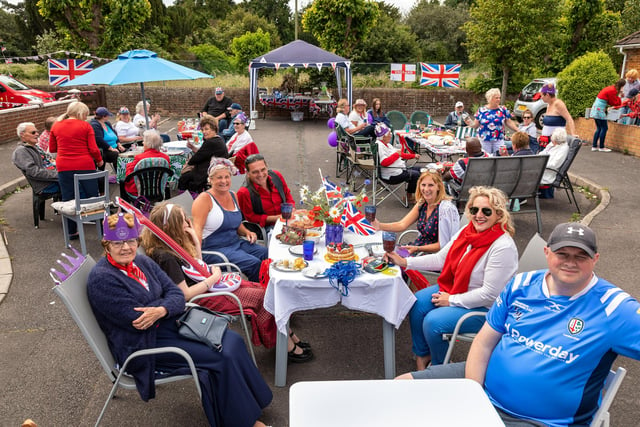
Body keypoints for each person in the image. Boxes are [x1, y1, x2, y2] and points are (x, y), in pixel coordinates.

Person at [398, 222, 640, 427]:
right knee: (398, 389)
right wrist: (474, 395)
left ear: (595, 259)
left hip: (538, 419)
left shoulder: (614, 307)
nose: (570, 262)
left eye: (581, 256)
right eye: (562, 254)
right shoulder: (522, 284)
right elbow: (484, 342)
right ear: (547, 253)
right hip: (481, 383)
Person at [87, 212, 273, 427]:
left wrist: (161, 309)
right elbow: (137, 319)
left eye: (130, 241)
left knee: (232, 340)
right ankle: (243, 423)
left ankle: (254, 402)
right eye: (117, 243)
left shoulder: (141, 262)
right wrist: (166, 307)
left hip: (168, 324)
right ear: (106, 244)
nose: (126, 247)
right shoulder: (102, 279)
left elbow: (176, 294)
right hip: (143, 342)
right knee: (219, 355)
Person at [141, 202, 313, 361]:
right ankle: (285, 346)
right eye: (183, 219)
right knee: (262, 297)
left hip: (209, 288)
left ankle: (287, 336)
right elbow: (184, 295)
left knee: (264, 289)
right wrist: (213, 279)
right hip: (201, 298)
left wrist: (194, 238)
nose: (188, 221)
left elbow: (198, 265)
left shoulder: (172, 245)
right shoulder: (165, 257)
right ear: (169, 226)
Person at [387, 186, 517, 368]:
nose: (479, 215)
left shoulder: (502, 247)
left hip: (486, 308)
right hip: (458, 289)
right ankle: (423, 354)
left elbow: (490, 294)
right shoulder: (467, 231)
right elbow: (441, 259)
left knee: (433, 321)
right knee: (415, 302)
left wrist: (452, 300)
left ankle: (441, 368)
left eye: (486, 211)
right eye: (474, 210)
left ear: (499, 215)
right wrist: (405, 262)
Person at [192, 159, 268, 282]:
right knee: (254, 263)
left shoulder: (233, 195)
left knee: (266, 253)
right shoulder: (204, 199)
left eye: (227, 177)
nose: (224, 181)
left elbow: (236, 224)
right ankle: (257, 295)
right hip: (214, 249)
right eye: (219, 178)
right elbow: (197, 230)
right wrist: (197, 259)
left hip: (234, 243)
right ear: (210, 179)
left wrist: (247, 232)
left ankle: (270, 289)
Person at [49, 101, 103, 239]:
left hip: (64, 165)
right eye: (85, 114)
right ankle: (101, 229)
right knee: (93, 197)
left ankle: (72, 231)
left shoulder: (56, 125)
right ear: (81, 113)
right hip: (85, 164)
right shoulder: (85, 126)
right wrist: (99, 160)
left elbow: (53, 148)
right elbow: (93, 148)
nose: (86, 117)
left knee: (68, 198)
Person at [373, 170, 459, 255]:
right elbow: (402, 224)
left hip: (432, 257)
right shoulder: (422, 203)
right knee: (381, 255)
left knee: (388, 259)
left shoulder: (445, 209)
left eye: (431, 185)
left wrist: (417, 249)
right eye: (423, 185)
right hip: (417, 249)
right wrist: (378, 225)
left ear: (439, 187)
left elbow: (444, 245)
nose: (426, 189)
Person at [237, 154, 295, 232]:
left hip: (287, 220)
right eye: (255, 172)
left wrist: (292, 208)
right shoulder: (243, 192)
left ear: (267, 167)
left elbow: (287, 194)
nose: (260, 175)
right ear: (247, 173)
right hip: (265, 228)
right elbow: (250, 218)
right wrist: (277, 218)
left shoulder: (277, 176)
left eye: (263, 169)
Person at [178, 116, 229, 193]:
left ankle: (187, 200)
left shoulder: (211, 142)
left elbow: (195, 159)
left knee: (184, 178)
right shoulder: (218, 140)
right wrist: (193, 148)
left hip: (208, 173)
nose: (204, 132)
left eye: (206, 129)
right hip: (216, 169)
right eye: (202, 129)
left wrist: (187, 165)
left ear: (214, 129)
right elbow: (203, 153)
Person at [374, 123, 421, 204]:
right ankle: (409, 197)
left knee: (421, 169)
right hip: (391, 175)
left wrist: (413, 155)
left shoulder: (387, 144)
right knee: (416, 175)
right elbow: (384, 162)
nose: (390, 135)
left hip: (397, 169)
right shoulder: (380, 146)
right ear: (383, 136)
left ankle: (414, 195)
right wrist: (396, 155)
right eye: (389, 134)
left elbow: (400, 154)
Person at [465, 88, 518, 155]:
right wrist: (469, 123)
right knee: (485, 159)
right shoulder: (481, 110)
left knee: (500, 158)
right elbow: (475, 125)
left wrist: (517, 130)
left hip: (498, 139)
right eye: (496, 98)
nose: (498, 100)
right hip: (484, 140)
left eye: (499, 98)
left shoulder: (503, 110)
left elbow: (508, 122)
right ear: (490, 99)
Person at [12, 122, 59, 195]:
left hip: (54, 178)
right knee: (77, 185)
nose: (37, 134)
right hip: (46, 184)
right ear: (22, 134)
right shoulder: (21, 151)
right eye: (33, 132)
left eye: (37, 132)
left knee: (78, 177)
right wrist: (58, 175)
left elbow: (50, 159)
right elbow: (34, 172)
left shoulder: (35, 146)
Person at [123, 130, 171, 196]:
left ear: (148, 144)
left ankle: (126, 205)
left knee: (123, 182)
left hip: (140, 190)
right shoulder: (165, 158)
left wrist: (128, 165)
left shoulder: (139, 158)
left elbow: (129, 174)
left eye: (144, 141)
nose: (142, 143)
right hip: (159, 189)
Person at [589, 78, 626, 152]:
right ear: (622, 86)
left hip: (595, 109)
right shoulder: (613, 91)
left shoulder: (610, 88)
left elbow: (610, 101)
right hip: (600, 110)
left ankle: (594, 146)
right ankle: (601, 147)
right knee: (604, 128)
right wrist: (620, 96)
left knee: (599, 128)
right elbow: (615, 103)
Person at [537, 84, 576, 152]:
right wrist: (541, 136)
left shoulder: (558, 104)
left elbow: (569, 119)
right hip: (545, 140)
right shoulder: (548, 105)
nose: (541, 97)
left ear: (548, 95)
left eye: (542, 95)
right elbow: (547, 125)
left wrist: (573, 134)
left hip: (556, 142)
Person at [90, 107, 124, 172]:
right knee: (115, 154)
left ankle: (126, 174)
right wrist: (110, 148)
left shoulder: (107, 123)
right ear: (103, 116)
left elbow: (115, 134)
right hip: (104, 150)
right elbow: (99, 140)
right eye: (108, 115)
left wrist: (119, 144)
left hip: (114, 147)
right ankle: (119, 175)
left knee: (127, 152)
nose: (109, 117)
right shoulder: (95, 125)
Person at [538, 128, 569, 199]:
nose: (552, 141)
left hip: (547, 173)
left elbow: (554, 165)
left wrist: (541, 163)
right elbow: (544, 152)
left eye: (553, 140)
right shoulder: (553, 144)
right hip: (542, 168)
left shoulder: (563, 149)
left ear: (557, 140)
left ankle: (521, 197)